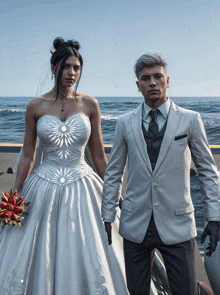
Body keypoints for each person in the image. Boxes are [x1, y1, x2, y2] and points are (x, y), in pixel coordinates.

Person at [0, 37, 131, 295]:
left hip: (83, 185)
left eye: (76, 67)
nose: (72, 73)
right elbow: (28, 155)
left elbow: (99, 156)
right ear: (53, 68)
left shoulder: (90, 104)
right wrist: (15, 196)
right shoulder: (35, 106)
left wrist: (117, 193)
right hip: (42, 186)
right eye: (66, 66)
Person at [101, 53, 220, 295]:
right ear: (138, 85)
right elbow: (114, 172)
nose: (152, 83)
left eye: (158, 77)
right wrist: (108, 213)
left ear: (167, 80)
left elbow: (208, 171)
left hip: (178, 223)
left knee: (185, 290)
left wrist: (214, 217)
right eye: (146, 78)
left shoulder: (189, 120)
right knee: (137, 291)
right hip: (135, 224)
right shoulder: (125, 123)